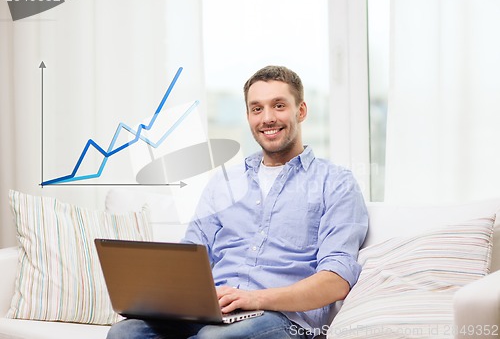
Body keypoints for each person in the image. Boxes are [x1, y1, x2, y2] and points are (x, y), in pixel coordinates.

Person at [106, 66, 368, 339]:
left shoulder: (336, 182)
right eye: (256, 109)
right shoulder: (224, 183)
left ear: (300, 111)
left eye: (278, 106)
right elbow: (191, 255)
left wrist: (256, 299)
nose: (267, 118)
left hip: (284, 319)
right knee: (125, 333)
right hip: (213, 312)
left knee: (213, 338)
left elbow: (336, 280)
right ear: (247, 116)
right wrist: (157, 296)